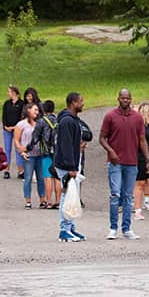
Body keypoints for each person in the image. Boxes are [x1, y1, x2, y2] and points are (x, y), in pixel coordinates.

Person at [100, 89, 149, 240]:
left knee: (129, 196)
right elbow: (102, 138)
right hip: (115, 162)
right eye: (123, 98)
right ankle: (113, 227)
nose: (125, 101)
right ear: (118, 99)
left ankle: (127, 228)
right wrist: (111, 152)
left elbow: (142, 139)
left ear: (131, 99)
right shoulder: (110, 116)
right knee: (115, 194)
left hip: (131, 162)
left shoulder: (137, 118)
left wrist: (148, 160)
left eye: (127, 98)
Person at [53, 92, 86, 242]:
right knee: (67, 196)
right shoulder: (67, 121)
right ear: (73, 103)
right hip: (67, 165)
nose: (83, 104)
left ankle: (70, 226)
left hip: (71, 163)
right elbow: (65, 145)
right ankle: (64, 228)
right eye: (81, 101)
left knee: (72, 195)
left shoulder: (72, 120)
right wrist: (71, 167)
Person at [14, 102, 47, 209]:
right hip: (28, 154)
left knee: (41, 178)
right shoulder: (21, 124)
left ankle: (42, 199)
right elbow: (16, 140)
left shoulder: (40, 123)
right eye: (35, 110)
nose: (37, 112)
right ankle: (28, 200)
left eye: (37, 110)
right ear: (28, 110)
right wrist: (21, 152)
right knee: (27, 178)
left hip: (39, 153)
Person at [28, 99, 60, 209]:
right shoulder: (58, 121)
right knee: (57, 177)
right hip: (57, 152)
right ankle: (58, 201)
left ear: (44, 109)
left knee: (47, 177)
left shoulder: (41, 121)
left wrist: (28, 148)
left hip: (46, 151)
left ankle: (48, 201)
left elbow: (35, 137)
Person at [1, 85, 24, 179]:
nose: (8, 93)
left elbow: (22, 117)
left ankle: (20, 170)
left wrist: (15, 127)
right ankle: (6, 170)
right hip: (7, 130)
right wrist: (5, 126)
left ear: (14, 92)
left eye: (9, 92)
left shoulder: (21, 104)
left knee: (18, 149)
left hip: (17, 129)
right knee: (7, 150)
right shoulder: (7, 103)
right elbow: (4, 116)